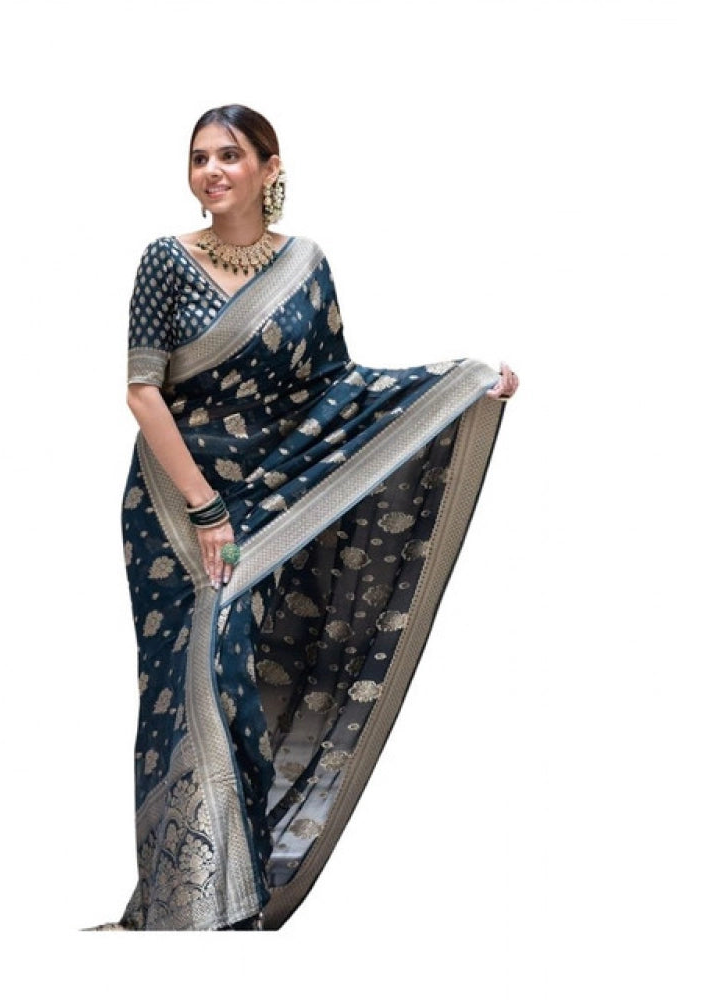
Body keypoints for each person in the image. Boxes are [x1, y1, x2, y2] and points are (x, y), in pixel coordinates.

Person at [110, 105, 518, 931]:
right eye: (199, 158)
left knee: (240, 681)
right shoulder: (165, 260)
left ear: (270, 167)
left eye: (230, 156)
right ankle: (179, 902)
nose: (211, 171)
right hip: (177, 507)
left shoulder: (305, 265)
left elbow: (332, 388)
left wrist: (460, 383)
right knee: (184, 682)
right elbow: (142, 392)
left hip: (269, 500)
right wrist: (205, 507)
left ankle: (231, 897)